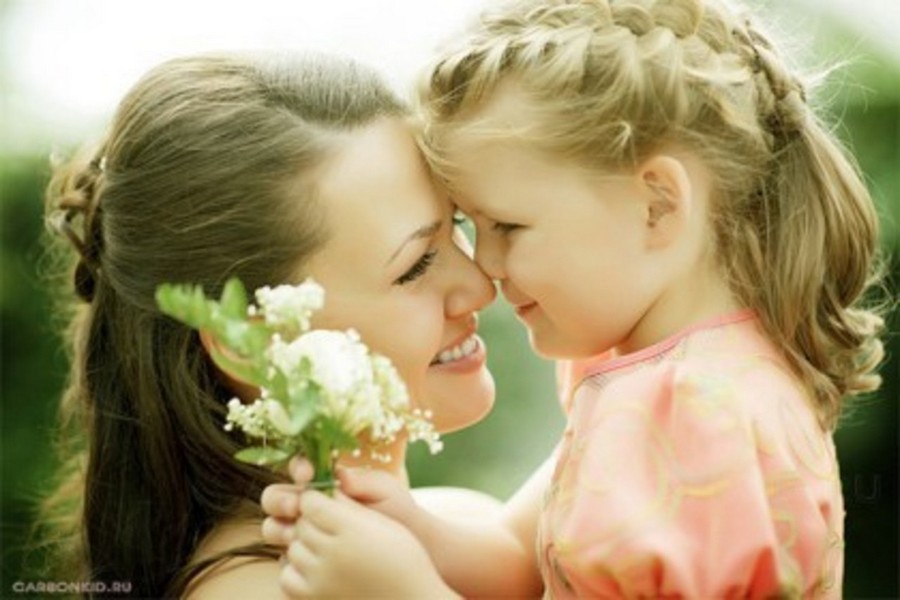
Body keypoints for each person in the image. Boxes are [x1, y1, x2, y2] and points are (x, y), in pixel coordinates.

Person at [263, 0, 886, 597]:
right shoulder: (664, 380)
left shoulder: (693, 412)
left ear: (657, 205)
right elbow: (523, 561)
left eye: (508, 226)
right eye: (472, 226)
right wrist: (407, 525)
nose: (485, 267)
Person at [40, 50, 502, 598]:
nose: (482, 285)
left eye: (458, 223)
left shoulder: (480, 536)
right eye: (416, 266)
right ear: (249, 343)